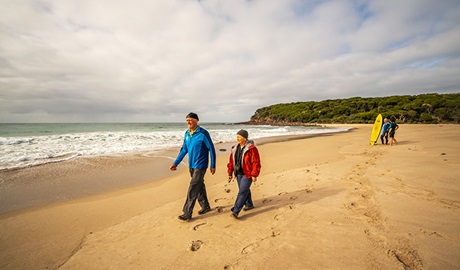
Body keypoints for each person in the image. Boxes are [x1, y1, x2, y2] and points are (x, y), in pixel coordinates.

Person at [170, 112, 216, 221]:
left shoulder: (203, 133)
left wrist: (213, 165)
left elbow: (211, 149)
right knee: (199, 186)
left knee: (193, 188)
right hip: (191, 165)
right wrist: (175, 163)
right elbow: (184, 149)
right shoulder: (187, 133)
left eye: (190, 120)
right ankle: (205, 206)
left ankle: (187, 212)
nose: (188, 122)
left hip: (201, 165)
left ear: (196, 121)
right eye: (187, 121)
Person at [227, 129, 261, 219]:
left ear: (245, 138)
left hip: (248, 174)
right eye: (237, 136)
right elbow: (231, 161)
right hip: (238, 173)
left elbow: (256, 162)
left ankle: (235, 211)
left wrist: (254, 174)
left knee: (242, 192)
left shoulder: (252, 149)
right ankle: (249, 204)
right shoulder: (234, 148)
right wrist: (230, 172)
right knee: (244, 190)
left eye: (239, 137)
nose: (237, 138)